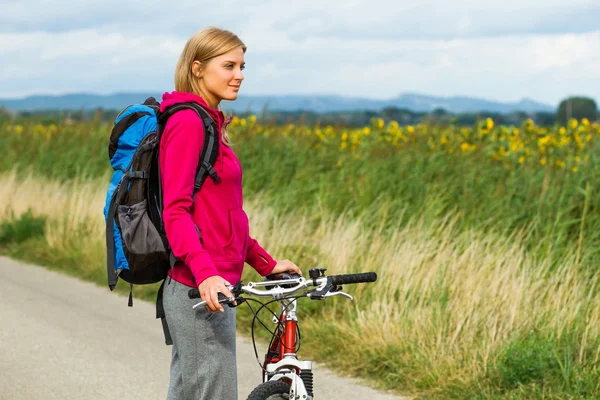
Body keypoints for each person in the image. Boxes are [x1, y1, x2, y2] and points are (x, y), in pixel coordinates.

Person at [159, 27, 301, 400]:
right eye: (228, 65)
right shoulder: (188, 123)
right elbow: (176, 211)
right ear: (198, 69)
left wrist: (264, 262)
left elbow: (225, 217)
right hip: (199, 289)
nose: (239, 74)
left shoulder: (209, 124)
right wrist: (205, 275)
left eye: (242, 65)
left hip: (214, 286)